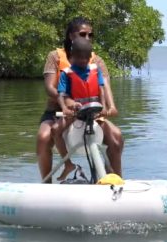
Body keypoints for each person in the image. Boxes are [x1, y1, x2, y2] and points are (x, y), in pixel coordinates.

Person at [37, 17, 123, 183]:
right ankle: (46, 185)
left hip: (90, 113)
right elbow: (50, 88)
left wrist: (111, 107)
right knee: (43, 137)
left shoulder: (97, 61)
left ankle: (114, 182)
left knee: (117, 137)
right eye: (83, 34)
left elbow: (105, 86)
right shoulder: (54, 57)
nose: (88, 37)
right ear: (71, 36)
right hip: (59, 112)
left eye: (91, 35)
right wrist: (68, 102)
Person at [54, 37, 107, 180]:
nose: (83, 61)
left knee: (115, 137)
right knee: (55, 131)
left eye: (85, 58)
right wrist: (65, 107)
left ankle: (108, 175)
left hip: (94, 112)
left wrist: (104, 107)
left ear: (90, 57)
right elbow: (61, 94)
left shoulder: (96, 70)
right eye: (79, 58)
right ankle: (68, 164)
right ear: (72, 57)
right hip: (76, 113)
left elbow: (101, 89)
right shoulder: (66, 73)